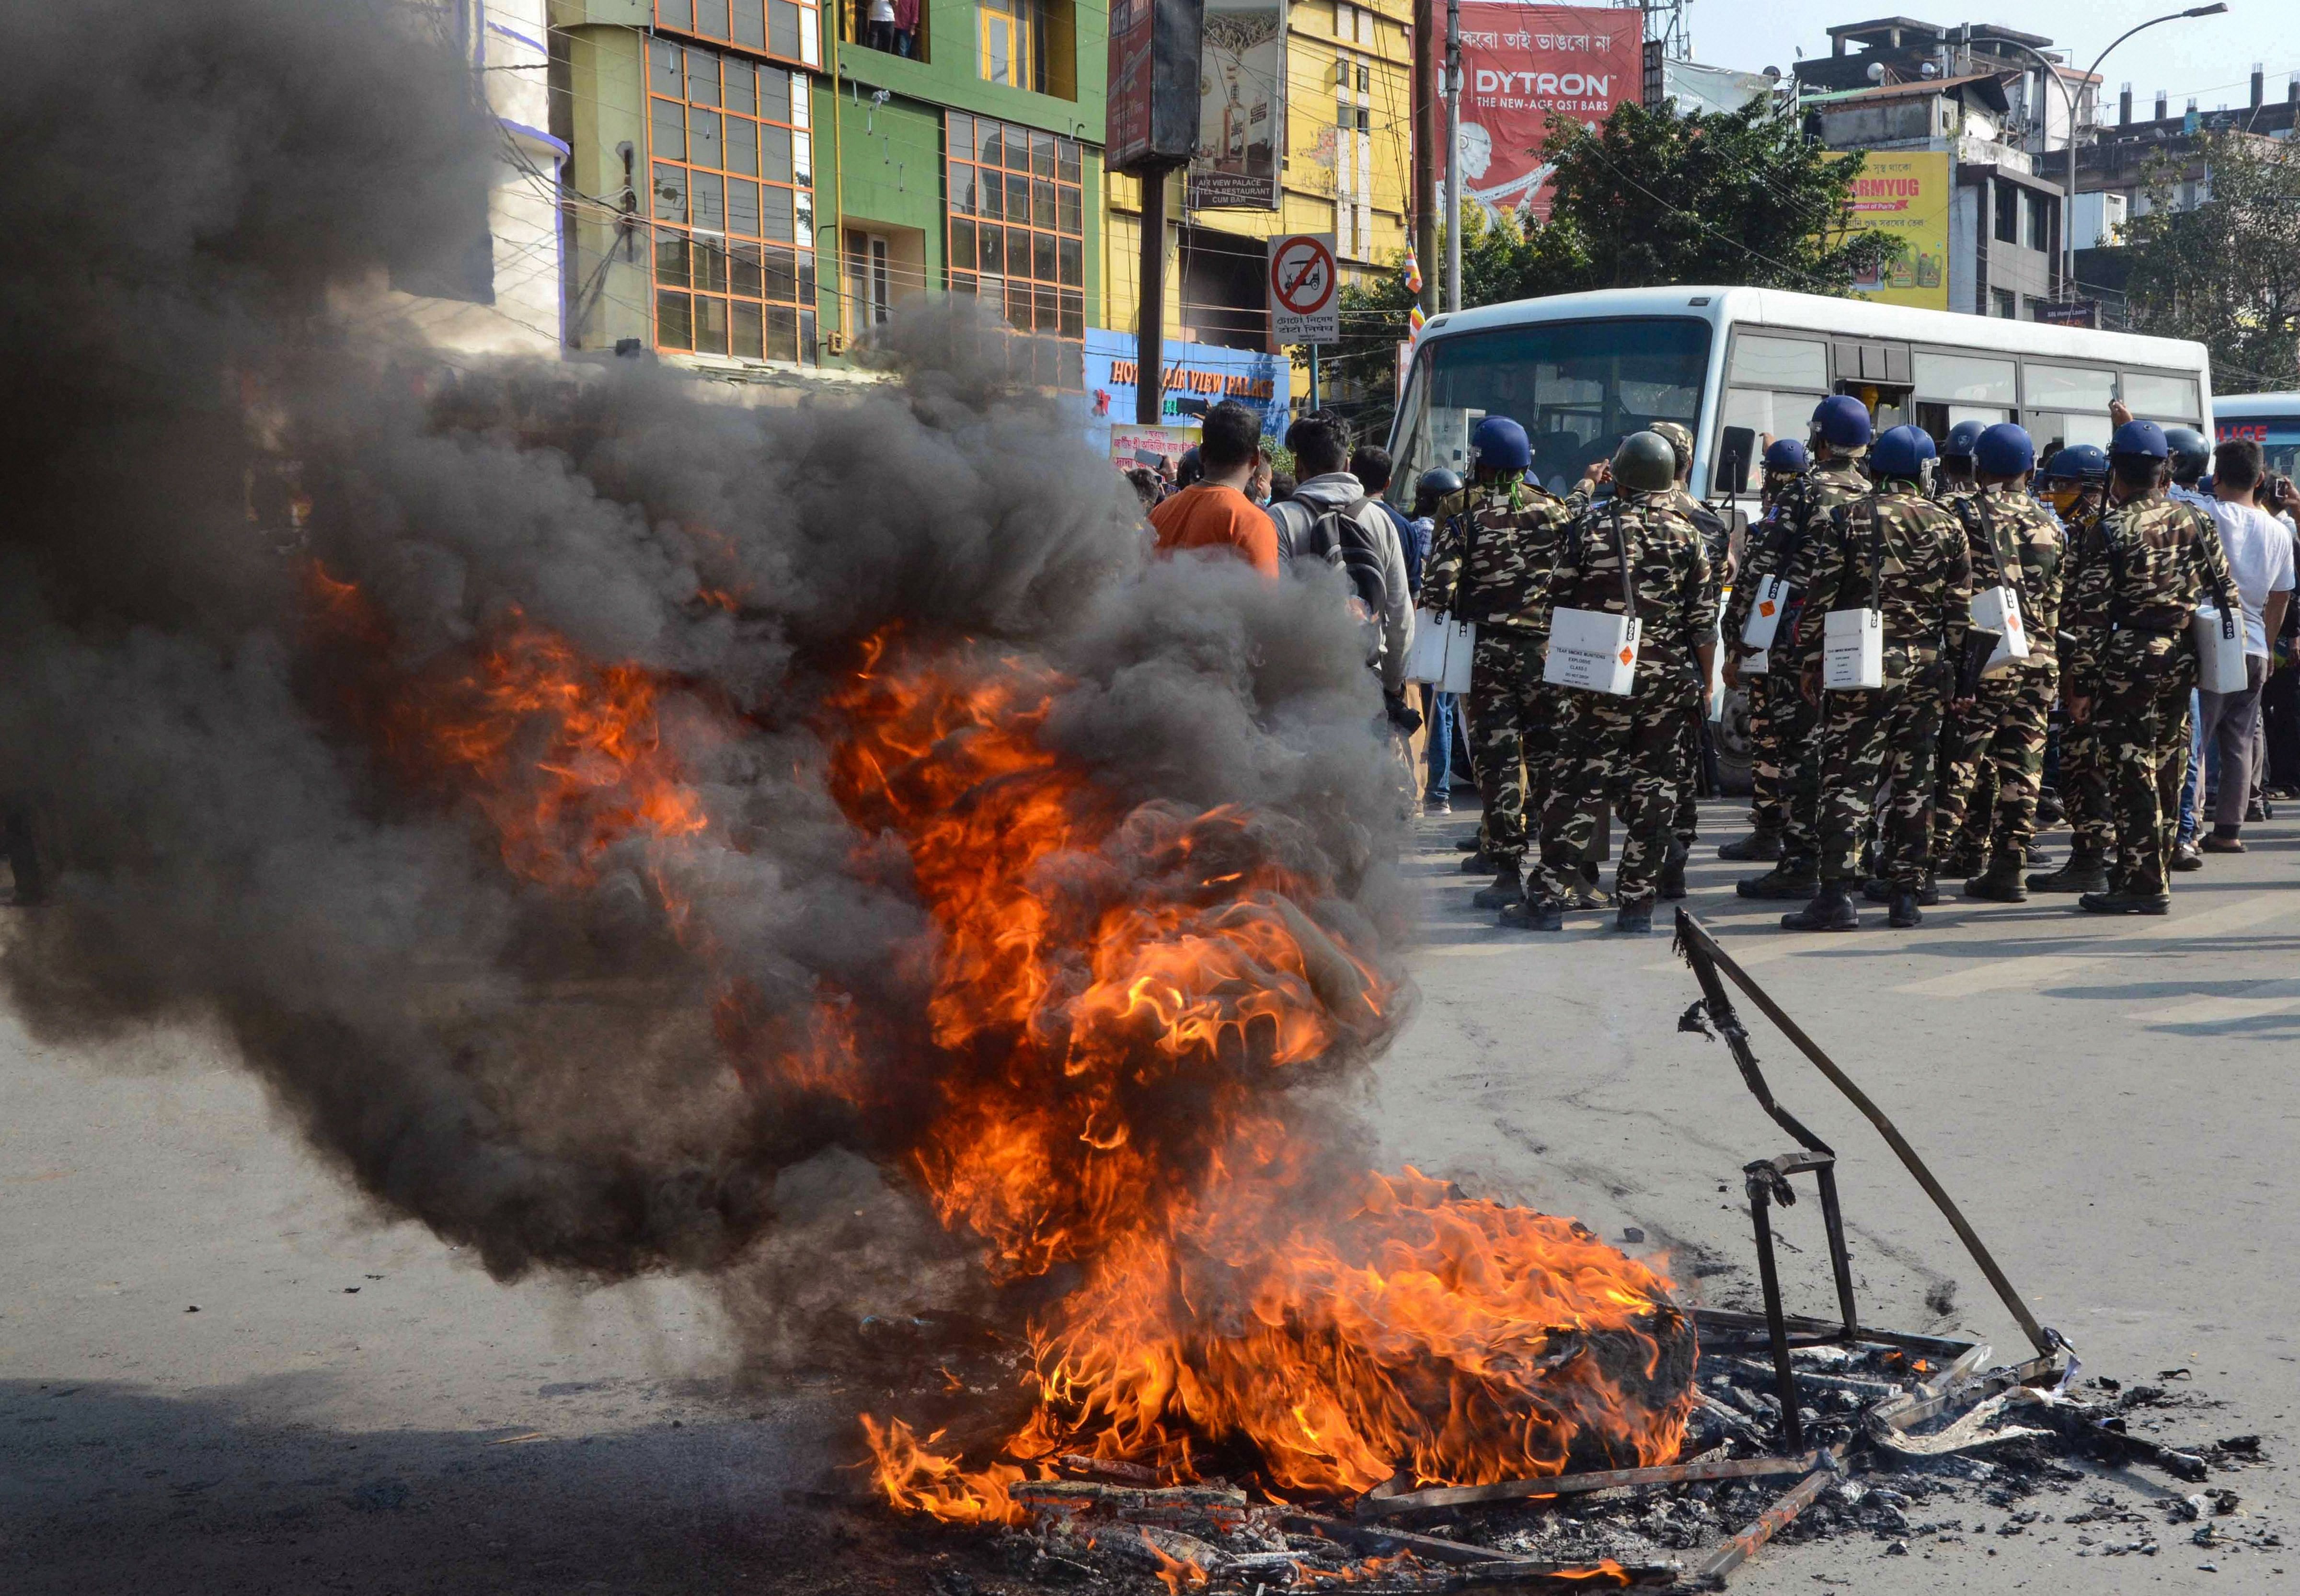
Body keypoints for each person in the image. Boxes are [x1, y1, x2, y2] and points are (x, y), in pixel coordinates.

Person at [1520, 431, 1716, 935]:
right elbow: (1703, 623)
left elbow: (1554, 603)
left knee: (1579, 785)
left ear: (1622, 478)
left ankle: (1546, 895)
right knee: (1655, 793)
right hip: (1666, 682)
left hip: (1602, 675)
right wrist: (1707, 683)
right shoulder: (1687, 534)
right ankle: (1636, 905)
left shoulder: (1590, 529)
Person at [1780, 425, 1969, 931]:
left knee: (1846, 777)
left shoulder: (1849, 517)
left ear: (1876, 468)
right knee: (1914, 781)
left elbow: (1820, 596)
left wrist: (1808, 658)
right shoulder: (1950, 525)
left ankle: (1836, 896)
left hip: (1861, 662)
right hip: (1927, 667)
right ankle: (1906, 895)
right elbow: (1959, 616)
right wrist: (1959, 680)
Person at [2058, 418, 2236, 914]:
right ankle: (2146, 868)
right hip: (2182, 656)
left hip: (2129, 659)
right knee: (2168, 767)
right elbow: (2225, 592)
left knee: (2130, 768)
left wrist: (2080, 683)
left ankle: (2142, 881)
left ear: (2117, 472)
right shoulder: (2195, 520)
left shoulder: (2110, 529)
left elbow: (2091, 617)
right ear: (2164, 471)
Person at [1420, 416, 1583, 910]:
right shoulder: (1558, 514)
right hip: (1549, 655)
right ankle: (1557, 873)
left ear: (1482, 463)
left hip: (1489, 657)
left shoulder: (1465, 518)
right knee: (1551, 762)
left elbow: (1436, 591)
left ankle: (1508, 870)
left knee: (1500, 765)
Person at [1721, 396, 1874, 900]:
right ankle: (1848, 856)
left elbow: (1762, 567)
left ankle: (1803, 862)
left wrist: (1736, 637)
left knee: (1800, 753)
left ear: (1821, 440)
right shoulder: (1876, 493)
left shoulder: (1803, 494)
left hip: (1799, 642)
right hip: (1860, 641)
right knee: (1850, 756)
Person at [1933, 424, 2063, 902]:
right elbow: (2053, 603)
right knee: (2023, 766)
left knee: (1960, 758)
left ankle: (1926, 863)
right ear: (2030, 470)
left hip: (1982, 655)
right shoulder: (2050, 525)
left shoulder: (1957, 512)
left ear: (1976, 467)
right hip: (2038, 657)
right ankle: (2010, 865)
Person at [2190, 436, 2295, 855]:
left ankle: (2188, 825)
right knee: (2239, 742)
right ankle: (2229, 829)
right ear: (2261, 478)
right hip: (2254, 644)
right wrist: (2268, 648)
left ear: (2216, 477)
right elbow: (2282, 595)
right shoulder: (2278, 530)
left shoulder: (2206, 514)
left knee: (2197, 739)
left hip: (2213, 641)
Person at [1266, 409, 1413, 701]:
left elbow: (1274, 608)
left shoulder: (1280, 518)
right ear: (1347, 463)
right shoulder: (1380, 520)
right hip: (1365, 681)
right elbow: (1399, 613)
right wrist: (1393, 683)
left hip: (1304, 686)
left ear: (1298, 466)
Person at [2028, 443, 2115, 893]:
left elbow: (2088, 611)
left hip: (2093, 666)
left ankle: (2091, 858)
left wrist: (2079, 678)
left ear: (2091, 486)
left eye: (2065, 484)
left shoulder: (2097, 531)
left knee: (2087, 764)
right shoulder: (2086, 527)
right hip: (2105, 664)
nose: (2056, 492)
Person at [1651, 420, 1730, 898]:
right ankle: (1674, 860)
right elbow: (1705, 608)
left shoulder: (1610, 513)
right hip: (1678, 666)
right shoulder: (1707, 521)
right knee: (1678, 769)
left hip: (1614, 665)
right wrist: (1706, 678)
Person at [1146, 399, 1280, 577]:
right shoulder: (1253, 523)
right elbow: (1265, 602)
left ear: (1202, 454)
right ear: (1256, 457)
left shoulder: (1159, 513)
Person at [1412, 466, 1465, 815]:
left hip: (1428, 625)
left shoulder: (1418, 530)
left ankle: (1434, 790)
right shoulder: (1464, 529)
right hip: (1457, 628)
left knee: (1430, 704)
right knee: (1445, 710)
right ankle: (1441, 792)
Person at [1353, 444, 1425, 595]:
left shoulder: (1335, 517)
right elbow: (1413, 591)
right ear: (1388, 483)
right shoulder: (1405, 527)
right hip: (1386, 615)